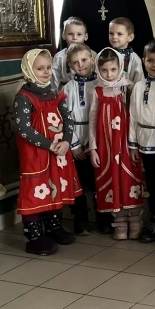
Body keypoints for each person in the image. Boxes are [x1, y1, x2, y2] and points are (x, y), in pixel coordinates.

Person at [13, 49, 81, 255]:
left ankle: (54, 228)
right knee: (36, 190)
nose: (45, 72)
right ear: (28, 70)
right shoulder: (23, 98)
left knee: (55, 186)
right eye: (39, 68)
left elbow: (68, 119)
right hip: (36, 154)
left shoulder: (55, 93)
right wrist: (48, 144)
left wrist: (67, 142)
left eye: (48, 68)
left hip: (58, 152)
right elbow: (24, 129)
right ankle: (34, 236)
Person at [87, 48, 144, 240]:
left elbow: (135, 117)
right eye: (104, 70)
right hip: (107, 146)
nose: (109, 74)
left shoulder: (128, 87)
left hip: (126, 145)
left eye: (113, 69)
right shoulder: (97, 90)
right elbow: (93, 119)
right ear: (98, 70)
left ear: (120, 67)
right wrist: (93, 148)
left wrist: (134, 144)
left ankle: (135, 219)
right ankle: (119, 221)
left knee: (130, 179)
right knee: (111, 179)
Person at [128, 40, 155, 244]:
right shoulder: (138, 86)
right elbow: (133, 116)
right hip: (145, 141)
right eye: (150, 60)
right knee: (152, 183)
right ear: (144, 61)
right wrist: (133, 143)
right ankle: (154, 217)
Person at [61, 42, 100, 236]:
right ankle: (81, 220)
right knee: (78, 182)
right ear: (69, 64)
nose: (81, 65)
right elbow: (65, 117)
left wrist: (95, 143)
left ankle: (104, 218)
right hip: (76, 138)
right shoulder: (67, 88)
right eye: (75, 62)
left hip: (96, 140)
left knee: (98, 182)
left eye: (84, 60)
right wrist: (74, 144)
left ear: (92, 59)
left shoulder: (100, 84)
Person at [52, 17, 95, 92]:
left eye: (79, 34)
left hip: (89, 90)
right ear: (64, 35)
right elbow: (54, 80)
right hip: (66, 92)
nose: (75, 38)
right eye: (70, 34)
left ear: (85, 36)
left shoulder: (93, 55)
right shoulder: (59, 57)